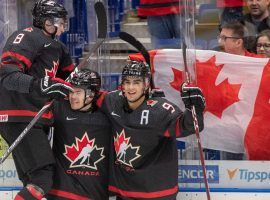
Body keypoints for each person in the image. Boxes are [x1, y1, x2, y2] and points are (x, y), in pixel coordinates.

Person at [0, 0, 74, 199]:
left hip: (38, 115)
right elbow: (7, 76)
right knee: (42, 178)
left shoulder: (58, 47)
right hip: (20, 114)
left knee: (34, 181)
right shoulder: (26, 36)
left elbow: (70, 79)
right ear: (46, 21)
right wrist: (41, 85)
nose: (63, 25)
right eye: (60, 21)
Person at [99, 60, 205, 199]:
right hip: (125, 191)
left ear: (146, 84)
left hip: (157, 192)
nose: (130, 87)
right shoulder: (113, 101)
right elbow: (87, 97)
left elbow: (187, 126)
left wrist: (195, 108)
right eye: (127, 82)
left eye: (136, 82)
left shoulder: (160, 109)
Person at [46, 69, 111, 200]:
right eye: (71, 91)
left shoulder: (108, 113)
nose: (73, 96)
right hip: (61, 192)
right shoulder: (59, 107)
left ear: (92, 94)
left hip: (94, 194)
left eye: (78, 92)